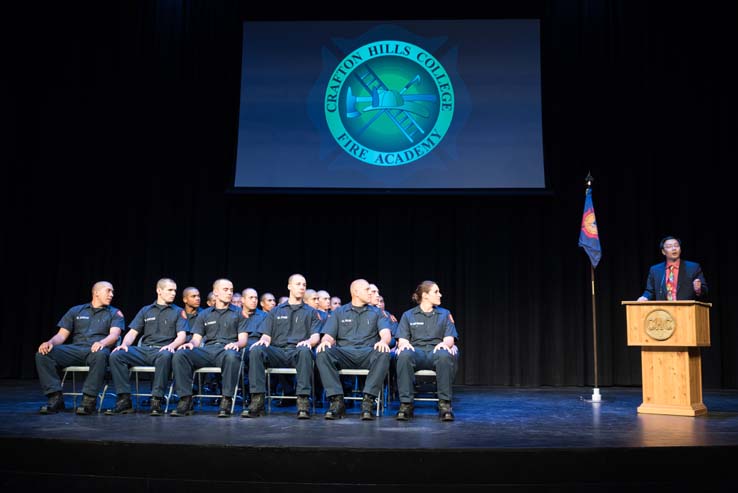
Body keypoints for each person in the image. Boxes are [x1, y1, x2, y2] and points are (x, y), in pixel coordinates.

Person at [35, 281, 125, 415]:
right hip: (75, 349)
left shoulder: (114, 313)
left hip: (96, 350)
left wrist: (102, 342)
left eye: (112, 292)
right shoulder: (76, 310)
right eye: (108, 291)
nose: (111, 294)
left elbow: (114, 335)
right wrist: (49, 342)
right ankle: (55, 398)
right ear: (96, 293)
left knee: (100, 354)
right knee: (43, 354)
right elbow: (61, 335)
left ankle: (89, 400)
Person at [242, 274, 322, 419]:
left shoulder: (311, 312)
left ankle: (303, 400)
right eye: (298, 284)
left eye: (304, 285)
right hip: (277, 351)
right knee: (256, 349)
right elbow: (267, 334)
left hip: (297, 351)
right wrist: (264, 340)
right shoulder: (276, 311)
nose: (302, 287)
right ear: (289, 286)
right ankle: (257, 399)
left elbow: (316, 336)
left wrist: (309, 342)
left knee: (305, 351)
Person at [105, 278, 188, 416]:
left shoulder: (178, 311)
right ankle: (124, 399)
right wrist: (124, 345)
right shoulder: (146, 310)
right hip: (144, 349)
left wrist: (171, 346)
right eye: (170, 290)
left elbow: (182, 336)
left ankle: (156, 400)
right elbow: (132, 333)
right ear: (159, 291)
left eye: (175, 290)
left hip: (163, 350)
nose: (173, 293)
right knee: (116, 355)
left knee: (165, 355)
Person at [170, 278, 249, 417]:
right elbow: (196, 339)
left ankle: (226, 399)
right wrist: (190, 344)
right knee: (181, 354)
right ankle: (185, 399)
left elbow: (243, 340)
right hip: (207, 351)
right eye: (226, 290)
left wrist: (235, 344)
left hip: (226, 350)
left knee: (231, 356)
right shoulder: (204, 314)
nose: (230, 293)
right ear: (216, 292)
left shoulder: (239, 313)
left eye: (231, 290)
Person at [316, 278, 392, 420]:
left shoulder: (377, 312)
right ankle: (337, 401)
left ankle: (368, 401)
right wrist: (325, 341)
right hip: (345, 353)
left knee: (383, 352)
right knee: (323, 352)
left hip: (367, 353)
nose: (371, 293)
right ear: (356, 292)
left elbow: (386, 334)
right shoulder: (339, 312)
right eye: (367, 290)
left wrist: (383, 341)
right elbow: (328, 336)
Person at [394, 280, 459, 421]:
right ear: (425, 295)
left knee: (444, 355)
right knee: (404, 355)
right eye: (436, 292)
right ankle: (406, 404)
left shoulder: (445, 314)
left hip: (435, 352)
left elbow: (450, 338)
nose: (440, 294)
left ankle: (445, 405)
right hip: (416, 352)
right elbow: (402, 338)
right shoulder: (408, 315)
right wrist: (404, 344)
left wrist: (445, 343)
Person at [637, 236, 708, 301]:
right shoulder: (655, 270)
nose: (674, 248)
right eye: (669, 246)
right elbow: (650, 291)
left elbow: (705, 291)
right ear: (663, 252)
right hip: (664, 312)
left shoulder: (693, 267)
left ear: (680, 249)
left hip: (687, 311)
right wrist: (644, 297)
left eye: (676, 246)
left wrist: (698, 289)